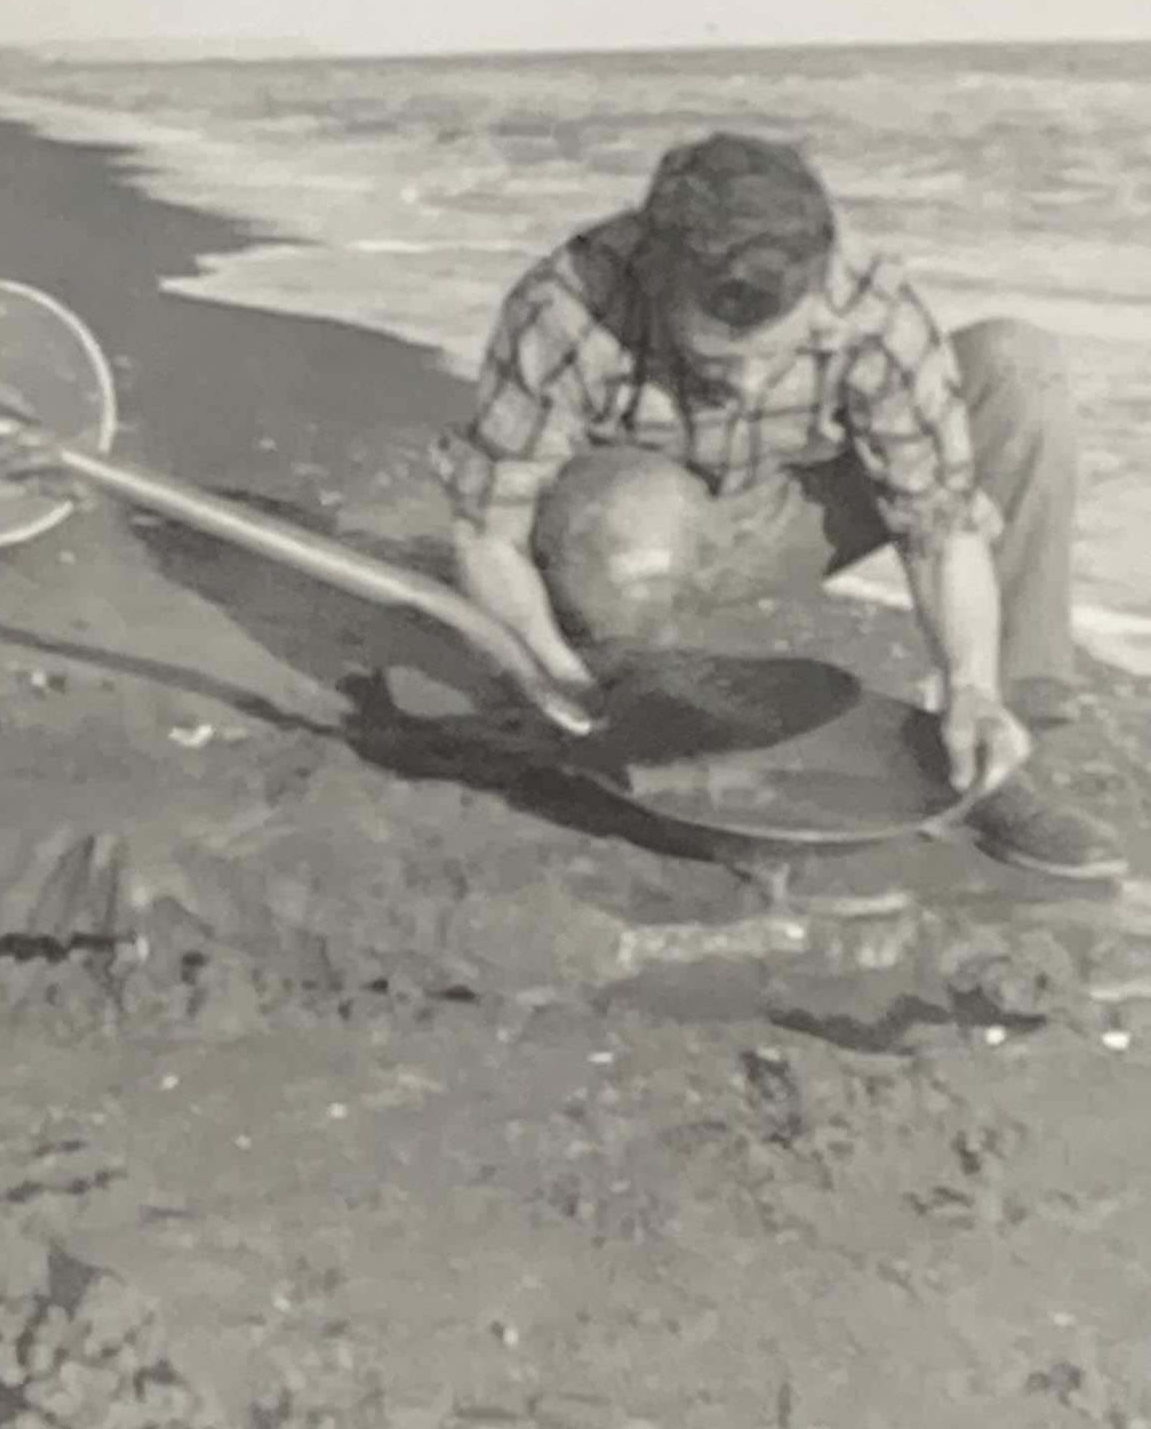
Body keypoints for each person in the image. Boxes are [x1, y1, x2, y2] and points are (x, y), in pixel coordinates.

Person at [436, 131, 1124, 882]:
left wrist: (971, 687)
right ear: (660, 284)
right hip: (627, 545)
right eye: (718, 363)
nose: (749, 385)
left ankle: (994, 754)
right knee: (635, 514)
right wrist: (552, 674)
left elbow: (940, 528)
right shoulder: (569, 303)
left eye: (779, 356)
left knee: (1016, 367)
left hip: (785, 516)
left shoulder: (866, 302)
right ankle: (650, 736)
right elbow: (488, 533)